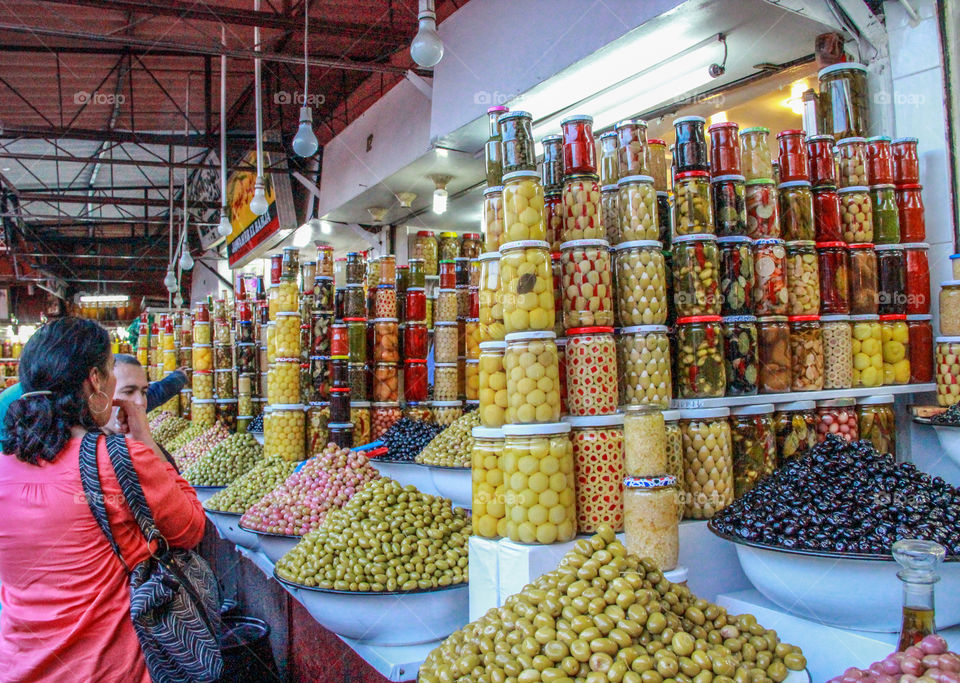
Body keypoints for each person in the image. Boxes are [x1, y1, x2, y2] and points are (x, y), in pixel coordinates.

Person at [0, 317, 206, 683]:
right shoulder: (118, 460)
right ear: (95, 379)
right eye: (111, 371)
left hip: (18, 665)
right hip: (111, 670)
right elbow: (190, 528)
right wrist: (144, 439)